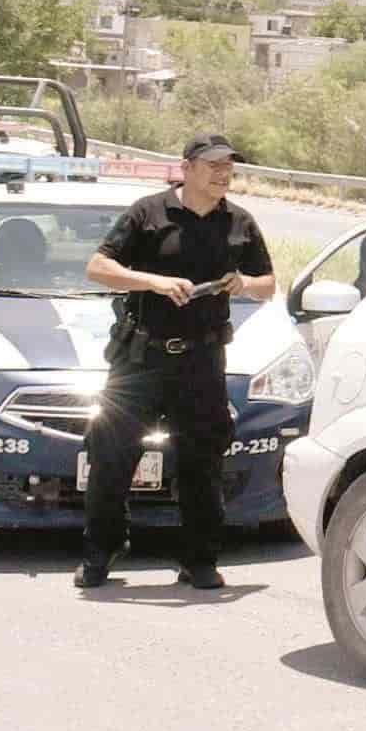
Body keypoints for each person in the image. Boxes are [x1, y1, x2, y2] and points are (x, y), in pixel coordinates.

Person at [77, 133, 277, 591]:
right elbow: (97, 267)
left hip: (202, 360)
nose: (224, 174)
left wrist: (243, 284)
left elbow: (268, 284)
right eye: (213, 166)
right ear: (186, 167)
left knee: (202, 462)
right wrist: (152, 282)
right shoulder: (147, 213)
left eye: (229, 166)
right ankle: (100, 553)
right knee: (111, 455)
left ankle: (199, 560)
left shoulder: (240, 222)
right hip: (141, 357)